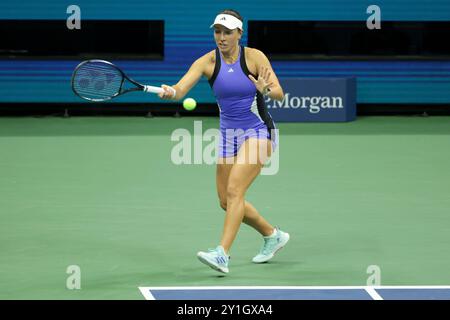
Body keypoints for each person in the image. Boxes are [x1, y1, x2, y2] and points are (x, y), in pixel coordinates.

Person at [158, 9, 289, 274]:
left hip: (258, 132)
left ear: (239, 33)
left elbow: (279, 94)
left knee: (235, 191)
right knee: (226, 201)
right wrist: (170, 92)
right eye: (217, 32)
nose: (221, 37)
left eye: (227, 32)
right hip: (229, 136)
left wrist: (265, 89)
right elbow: (181, 89)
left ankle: (222, 254)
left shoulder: (254, 57)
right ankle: (272, 235)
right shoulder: (206, 62)